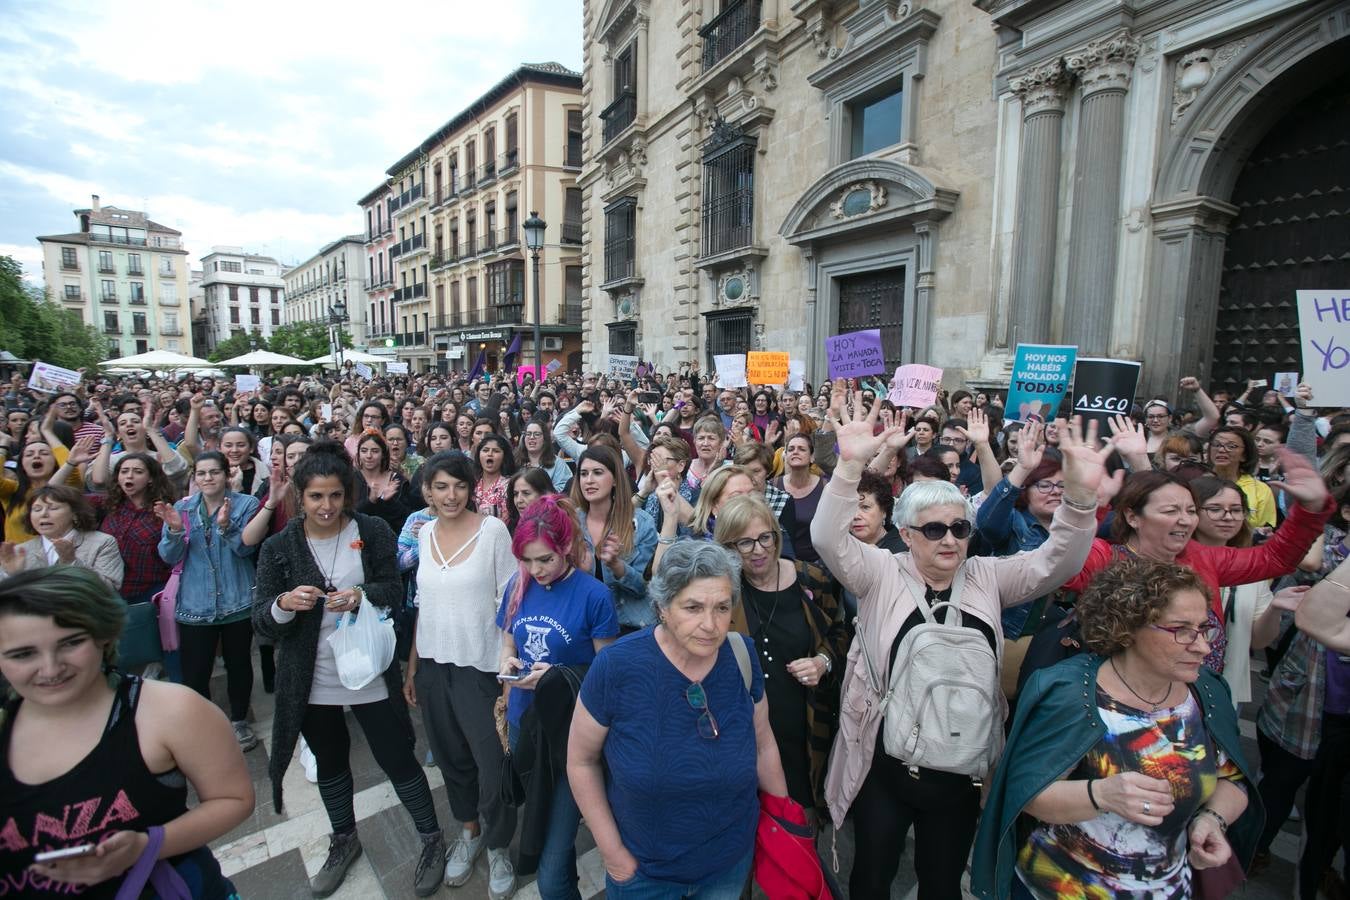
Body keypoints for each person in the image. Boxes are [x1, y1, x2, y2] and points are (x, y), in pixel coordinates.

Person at [811, 389, 1111, 900]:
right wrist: (848, 468)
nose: (949, 539)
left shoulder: (988, 577)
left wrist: (1080, 501)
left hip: (961, 767)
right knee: (871, 878)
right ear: (906, 534)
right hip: (884, 761)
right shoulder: (879, 571)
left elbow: (1058, 563)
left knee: (942, 883)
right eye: (933, 529)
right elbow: (826, 538)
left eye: (959, 528)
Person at [971, 559, 1258, 900]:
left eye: (1204, 627)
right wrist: (1102, 794)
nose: (1202, 646)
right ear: (1129, 627)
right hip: (1058, 888)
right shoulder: (1069, 692)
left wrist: (1212, 819)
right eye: (1181, 629)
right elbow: (1025, 793)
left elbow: (1232, 779)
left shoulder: (1208, 692)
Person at [252, 440, 446, 898]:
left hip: (369, 671)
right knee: (332, 760)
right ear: (300, 496)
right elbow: (261, 617)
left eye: (335, 495)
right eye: (316, 496)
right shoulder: (280, 547)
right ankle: (344, 838)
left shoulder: (373, 530)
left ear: (348, 494)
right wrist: (283, 604)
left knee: (396, 754)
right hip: (312, 678)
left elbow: (393, 591)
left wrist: (363, 596)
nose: (326, 506)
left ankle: (432, 838)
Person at [0, 567, 253, 899]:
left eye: (71, 643)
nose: (50, 668)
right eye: (22, 654)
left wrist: (147, 845)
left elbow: (234, 798)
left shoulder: (170, 710)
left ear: (104, 635)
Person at [567, 540, 789, 897]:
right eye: (693, 607)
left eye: (721, 607)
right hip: (644, 874)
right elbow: (581, 761)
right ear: (662, 607)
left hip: (728, 866)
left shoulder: (741, 656)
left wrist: (784, 827)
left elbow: (763, 745)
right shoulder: (618, 667)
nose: (710, 625)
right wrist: (612, 853)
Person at [1060, 453, 1331, 673]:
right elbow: (1062, 567)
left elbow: (1274, 559)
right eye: (1171, 511)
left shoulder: (1202, 557)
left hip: (1199, 693)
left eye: (1191, 511)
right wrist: (1090, 506)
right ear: (1133, 517)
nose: (1186, 520)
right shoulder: (1105, 556)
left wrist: (1310, 510)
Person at [403, 452, 518, 900]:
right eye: (441, 487)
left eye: (459, 486)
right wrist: (413, 666)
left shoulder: (492, 532)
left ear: (471, 488)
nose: (451, 495)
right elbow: (423, 606)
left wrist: (508, 676)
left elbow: (510, 603)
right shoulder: (424, 533)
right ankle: (468, 833)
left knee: (492, 763)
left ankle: (499, 845)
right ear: (427, 491)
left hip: (482, 668)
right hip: (434, 666)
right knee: (452, 758)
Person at [496, 495, 618, 899]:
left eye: (545, 560)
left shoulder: (594, 595)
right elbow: (507, 641)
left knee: (549, 871)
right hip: (524, 725)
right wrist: (510, 664)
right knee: (547, 835)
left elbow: (607, 675)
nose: (536, 570)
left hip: (570, 739)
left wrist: (558, 676)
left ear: (566, 548)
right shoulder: (518, 584)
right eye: (528, 561)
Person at [713, 494, 845, 813]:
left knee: (799, 823)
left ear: (776, 535)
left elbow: (840, 633)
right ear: (728, 548)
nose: (758, 550)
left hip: (804, 724)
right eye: (744, 543)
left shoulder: (812, 580)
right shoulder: (722, 593)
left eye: (764, 537)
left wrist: (822, 661)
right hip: (744, 731)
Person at [155, 451, 262, 752]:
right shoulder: (183, 508)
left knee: (239, 664)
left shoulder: (245, 504)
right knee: (196, 669)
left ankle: (239, 720)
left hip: (237, 600)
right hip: (195, 604)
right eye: (201, 474)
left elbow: (245, 550)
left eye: (214, 472)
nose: (208, 478)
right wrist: (175, 530)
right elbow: (169, 556)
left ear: (227, 475)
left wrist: (227, 527)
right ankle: (202, 723)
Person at [1188, 475, 1303, 704]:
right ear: (1192, 512)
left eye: (1236, 509)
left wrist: (1275, 608)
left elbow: (1259, 641)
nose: (1228, 517)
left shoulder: (1252, 567)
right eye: (1215, 509)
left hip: (1225, 690)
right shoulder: (1175, 560)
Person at [571, 445, 657, 630]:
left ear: (616, 480)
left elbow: (643, 587)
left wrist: (617, 566)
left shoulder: (642, 523)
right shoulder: (572, 522)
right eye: (584, 474)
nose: (589, 480)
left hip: (627, 625)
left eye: (598, 472)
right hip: (584, 622)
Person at [0, 486, 123, 590]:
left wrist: (72, 562)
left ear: (75, 514)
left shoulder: (102, 542)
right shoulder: (21, 551)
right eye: (37, 509)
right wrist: (13, 575)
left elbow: (109, 590)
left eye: (53, 508)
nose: (43, 514)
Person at [99, 453, 175, 605]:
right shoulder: (106, 506)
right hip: (110, 593)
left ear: (151, 479)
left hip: (151, 593)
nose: (129, 476)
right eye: (124, 471)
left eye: (138, 472)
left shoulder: (165, 511)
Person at [0, 434, 92, 543]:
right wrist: (3, 447)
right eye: (29, 454)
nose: (36, 456)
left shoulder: (67, 487)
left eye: (44, 453)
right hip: (18, 557)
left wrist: (48, 432)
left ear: (55, 462)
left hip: (62, 554)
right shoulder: (13, 489)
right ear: (22, 465)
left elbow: (71, 467)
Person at [1206, 426, 1277, 528]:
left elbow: (1265, 530)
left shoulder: (1260, 490)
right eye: (1216, 445)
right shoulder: (1197, 484)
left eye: (1231, 446)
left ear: (1244, 455)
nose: (1221, 450)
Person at [776, 433, 826, 563]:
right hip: (780, 561)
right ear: (786, 456)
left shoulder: (826, 488)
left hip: (817, 565)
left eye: (802, 449)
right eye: (791, 449)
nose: (795, 452)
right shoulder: (773, 485)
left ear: (812, 457)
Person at [517, 421, 572, 492]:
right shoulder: (516, 461)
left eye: (536, 434)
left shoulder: (558, 463)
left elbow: (564, 490)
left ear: (545, 439)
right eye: (528, 434)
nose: (532, 437)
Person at [474, 433, 517, 519]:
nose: (490, 454)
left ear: (504, 456)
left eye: (496, 451)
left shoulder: (509, 485)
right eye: (485, 450)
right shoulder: (472, 483)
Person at [505, 467, 557, 533]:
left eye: (526, 493)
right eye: (515, 494)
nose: (519, 500)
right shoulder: (512, 525)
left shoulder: (559, 526)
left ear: (543, 495)